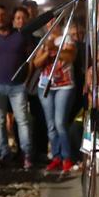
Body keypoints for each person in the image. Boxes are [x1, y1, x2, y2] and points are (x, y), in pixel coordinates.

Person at [0, 6, 35, 168]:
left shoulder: (19, 36)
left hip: (18, 86)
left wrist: (26, 80)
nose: (0, 18)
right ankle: (5, 153)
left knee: (23, 121)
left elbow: (30, 59)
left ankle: (26, 155)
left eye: (3, 15)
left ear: (8, 18)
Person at [33, 24, 78, 174]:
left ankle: (67, 157)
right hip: (46, 86)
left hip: (64, 85)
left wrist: (53, 48)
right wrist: (46, 51)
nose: (51, 24)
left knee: (60, 123)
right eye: (49, 22)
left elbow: (70, 56)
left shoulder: (67, 39)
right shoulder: (43, 41)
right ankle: (56, 156)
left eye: (55, 21)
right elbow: (36, 63)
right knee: (51, 126)